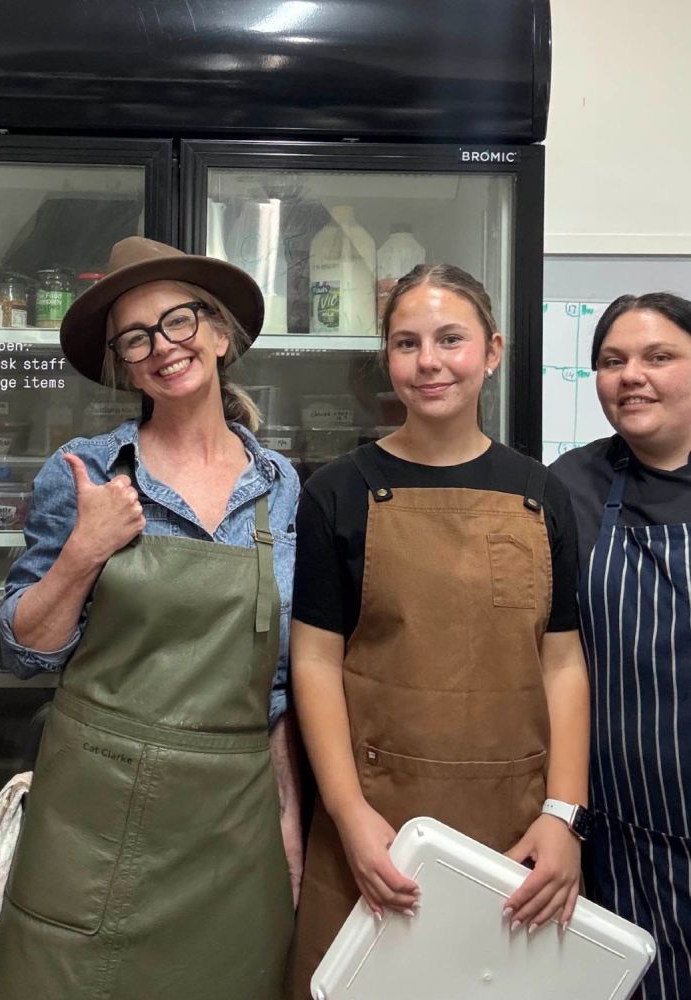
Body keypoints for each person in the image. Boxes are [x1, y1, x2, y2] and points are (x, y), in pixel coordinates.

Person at [0, 237, 302, 1000]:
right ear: (125, 367)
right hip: (94, 817)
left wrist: (289, 823)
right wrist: (83, 552)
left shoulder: (279, 484)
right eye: (136, 337)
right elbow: (23, 650)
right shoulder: (87, 470)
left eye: (179, 321)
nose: (162, 346)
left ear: (220, 335)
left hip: (231, 826)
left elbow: (279, 684)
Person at [288, 263, 591, 995]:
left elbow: (562, 664)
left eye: (450, 339)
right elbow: (314, 662)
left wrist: (562, 817)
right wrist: (348, 814)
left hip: (513, 834)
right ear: (386, 359)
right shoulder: (338, 491)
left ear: (492, 351)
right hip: (375, 827)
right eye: (406, 343)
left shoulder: (540, 494)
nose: (428, 362)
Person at [551, 293, 691, 1000]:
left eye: (658, 356)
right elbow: (549, 658)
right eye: (611, 361)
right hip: (624, 838)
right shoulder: (569, 486)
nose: (631, 375)